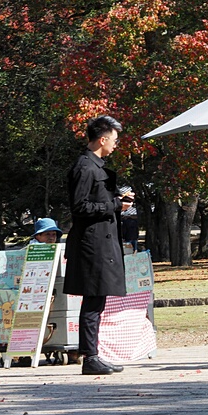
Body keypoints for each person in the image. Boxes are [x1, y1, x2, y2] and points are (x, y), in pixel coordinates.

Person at [64, 115, 134, 376]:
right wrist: (116, 205)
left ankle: (93, 354)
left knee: (98, 299)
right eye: (114, 140)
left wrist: (118, 198)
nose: (116, 145)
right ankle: (90, 357)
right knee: (93, 299)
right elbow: (80, 206)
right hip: (91, 245)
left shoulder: (96, 166)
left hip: (100, 242)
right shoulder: (85, 167)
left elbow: (95, 200)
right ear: (102, 139)